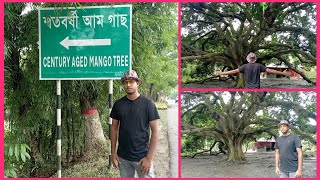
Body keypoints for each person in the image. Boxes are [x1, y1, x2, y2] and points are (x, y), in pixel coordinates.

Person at [110, 70, 160, 178]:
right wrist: (113, 153)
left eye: (131, 82)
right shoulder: (118, 104)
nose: (128, 85)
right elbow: (114, 129)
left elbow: (156, 131)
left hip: (142, 158)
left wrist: (149, 158)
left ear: (137, 83)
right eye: (125, 82)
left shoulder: (148, 104)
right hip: (123, 158)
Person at [213, 52, 291, 88]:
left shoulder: (244, 66)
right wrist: (283, 73)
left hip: (248, 88)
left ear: (248, 59)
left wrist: (221, 73)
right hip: (257, 88)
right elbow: (270, 71)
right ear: (255, 59)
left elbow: (233, 71)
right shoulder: (259, 66)